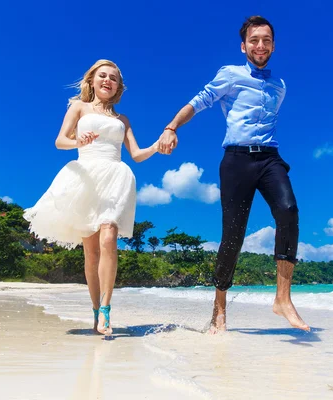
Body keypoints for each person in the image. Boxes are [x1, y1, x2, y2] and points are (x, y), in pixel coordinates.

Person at [158, 16, 310, 333]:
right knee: (233, 236)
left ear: (273, 45)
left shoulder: (279, 86)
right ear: (244, 46)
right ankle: (219, 311)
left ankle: (283, 299)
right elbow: (199, 102)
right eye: (254, 40)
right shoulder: (230, 74)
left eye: (266, 40)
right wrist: (172, 127)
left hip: (269, 158)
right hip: (236, 160)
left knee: (288, 211)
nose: (260, 45)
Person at [24, 60, 160, 335]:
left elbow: (136, 154)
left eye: (113, 78)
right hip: (85, 176)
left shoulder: (123, 120)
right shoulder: (79, 108)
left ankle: (107, 310)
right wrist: (78, 142)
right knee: (91, 251)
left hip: (115, 175)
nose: (107, 80)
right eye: (102, 76)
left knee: (109, 236)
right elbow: (60, 141)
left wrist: (158, 146)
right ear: (92, 80)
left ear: (119, 87)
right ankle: (96, 309)